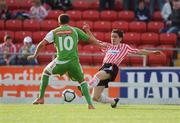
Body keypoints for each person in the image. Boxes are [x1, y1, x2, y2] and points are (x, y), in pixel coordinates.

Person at [27, 14, 104, 109]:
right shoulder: (75, 30)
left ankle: (41, 98)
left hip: (60, 62)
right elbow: (91, 40)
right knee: (82, 81)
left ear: (59, 22)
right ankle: (90, 105)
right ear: (68, 21)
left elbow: (42, 44)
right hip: (74, 62)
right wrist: (101, 44)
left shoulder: (54, 32)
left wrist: (35, 55)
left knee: (46, 73)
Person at [83, 24, 164, 108]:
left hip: (112, 67)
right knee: (95, 97)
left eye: (115, 37)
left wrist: (152, 52)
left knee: (98, 75)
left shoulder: (124, 47)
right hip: (104, 68)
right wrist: (87, 30)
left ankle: (85, 88)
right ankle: (113, 101)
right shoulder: (107, 46)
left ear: (120, 38)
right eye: (111, 37)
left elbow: (139, 51)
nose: (113, 38)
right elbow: (95, 41)